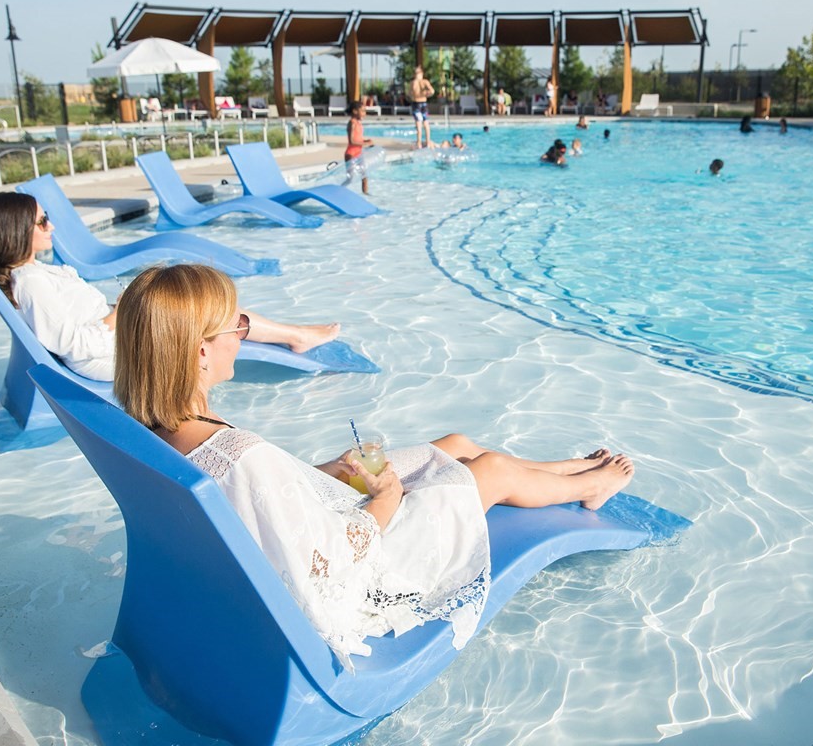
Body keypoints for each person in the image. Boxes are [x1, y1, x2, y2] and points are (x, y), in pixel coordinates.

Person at [112, 264, 634, 662]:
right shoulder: (241, 455)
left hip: (302, 529)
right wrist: (384, 498)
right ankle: (588, 488)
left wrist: (334, 471)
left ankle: (562, 468)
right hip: (358, 569)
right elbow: (328, 562)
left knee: (452, 444)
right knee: (489, 469)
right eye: (239, 326)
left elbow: (262, 497)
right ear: (202, 351)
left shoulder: (163, 430)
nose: (243, 336)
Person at [0, 192, 340, 382]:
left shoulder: (33, 274)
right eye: (42, 221)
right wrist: (119, 315)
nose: (51, 226)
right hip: (111, 356)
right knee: (211, 312)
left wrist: (123, 312)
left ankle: (293, 333)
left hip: (118, 336)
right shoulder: (33, 283)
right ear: (17, 230)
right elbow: (74, 345)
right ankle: (297, 336)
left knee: (206, 305)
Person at [344, 101, 374, 194]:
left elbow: (358, 139)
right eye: (363, 111)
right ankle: (339, 191)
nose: (365, 113)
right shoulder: (352, 123)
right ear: (355, 111)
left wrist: (366, 141)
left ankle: (366, 195)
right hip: (351, 154)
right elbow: (352, 141)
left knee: (364, 177)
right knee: (350, 178)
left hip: (359, 153)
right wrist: (365, 144)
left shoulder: (358, 123)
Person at [410, 66, 435, 149]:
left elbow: (410, 93)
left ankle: (420, 143)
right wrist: (426, 94)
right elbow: (432, 91)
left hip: (417, 104)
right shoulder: (424, 82)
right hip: (423, 103)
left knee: (420, 123)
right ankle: (426, 142)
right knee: (424, 122)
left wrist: (425, 93)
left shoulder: (414, 82)